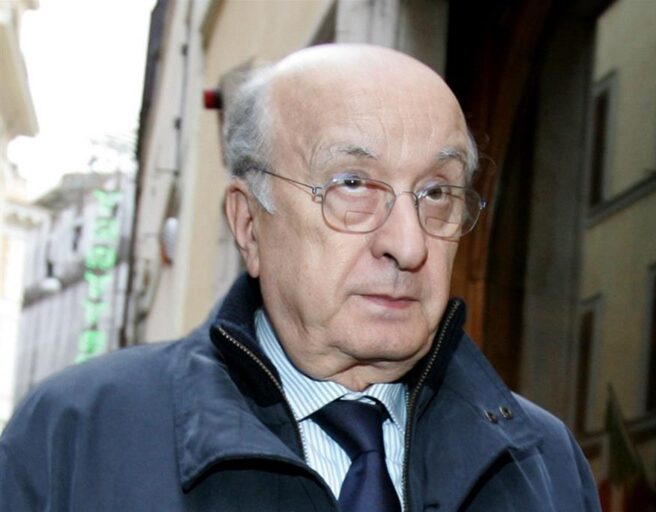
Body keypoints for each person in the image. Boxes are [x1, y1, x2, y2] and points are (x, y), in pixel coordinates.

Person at [0, 44, 599, 511]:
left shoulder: (546, 462)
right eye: (352, 184)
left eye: (437, 193)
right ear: (248, 225)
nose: (408, 244)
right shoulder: (75, 438)